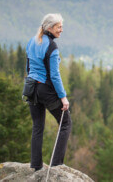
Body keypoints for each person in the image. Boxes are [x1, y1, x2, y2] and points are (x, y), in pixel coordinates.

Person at [25, 13, 71, 171]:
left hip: (31, 88)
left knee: (37, 126)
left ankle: (36, 165)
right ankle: (57, 164)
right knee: (65, 123)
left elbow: (28, 68)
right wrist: (63, 97)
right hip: (46, 89)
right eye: (59, 27)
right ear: (50, 28)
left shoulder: (32, 41)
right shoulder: (51, 46)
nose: (61, 30)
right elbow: (54, 75)